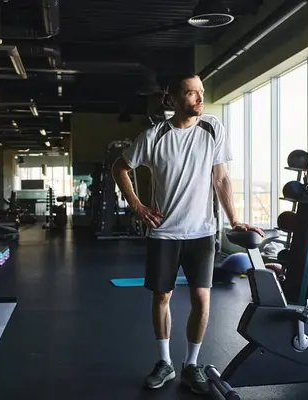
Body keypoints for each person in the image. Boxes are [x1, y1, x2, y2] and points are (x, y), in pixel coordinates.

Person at [111, 73, 263, 395]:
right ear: (173, 99)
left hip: (202, 232)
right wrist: (137, 206)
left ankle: (191, 364)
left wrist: (234, 220)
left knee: (201, 298)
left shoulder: (213, 129)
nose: (198, 98)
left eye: (201, 92)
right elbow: (120, 167)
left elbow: (220, 179)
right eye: (191, 93)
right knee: (162, 297)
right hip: (164, 233)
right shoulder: (155, 136)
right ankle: (165, 362)